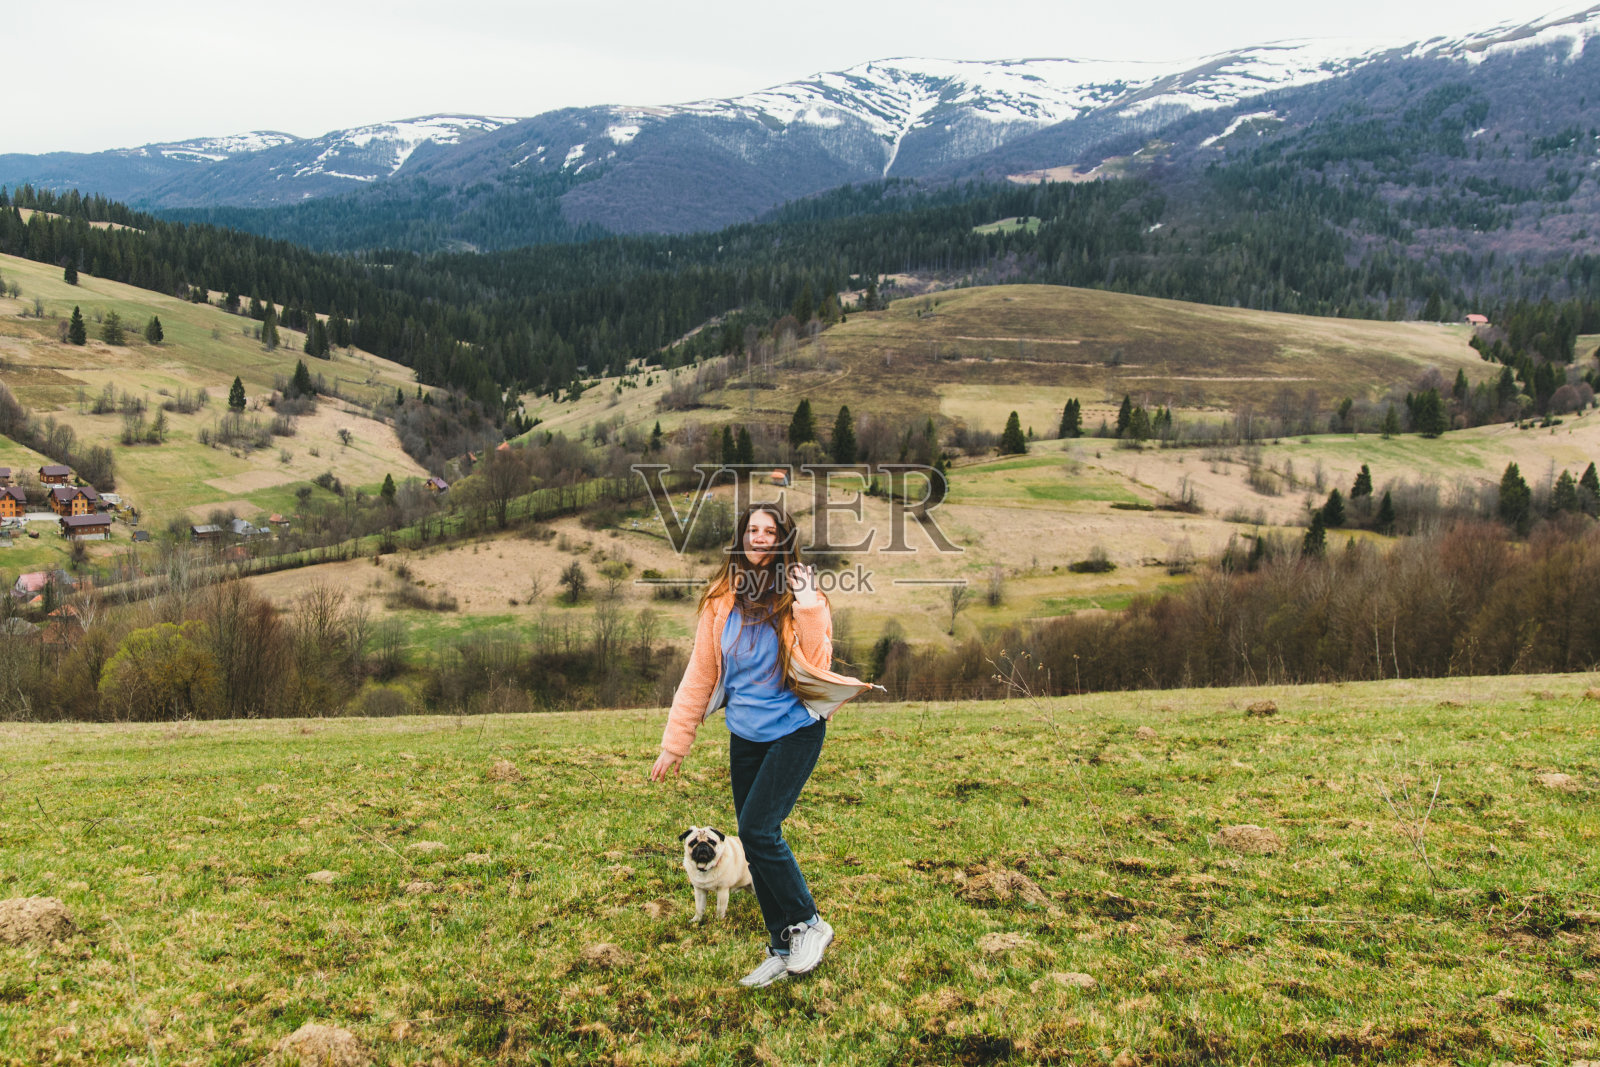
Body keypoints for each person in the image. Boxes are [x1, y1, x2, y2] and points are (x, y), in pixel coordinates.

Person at [650, 501, 877, 987]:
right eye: (751, 529)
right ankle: (781, 945)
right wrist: (676, 740)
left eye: (768, 531)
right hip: (746, 735)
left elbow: (818, 661)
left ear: (781, 540)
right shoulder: (721, 598)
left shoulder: (801, 595)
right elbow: (701, 673)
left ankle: (809, 923)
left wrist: (809, 603)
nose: (758, 538)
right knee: (754, 838)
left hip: (796, 728)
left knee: (757, 829)